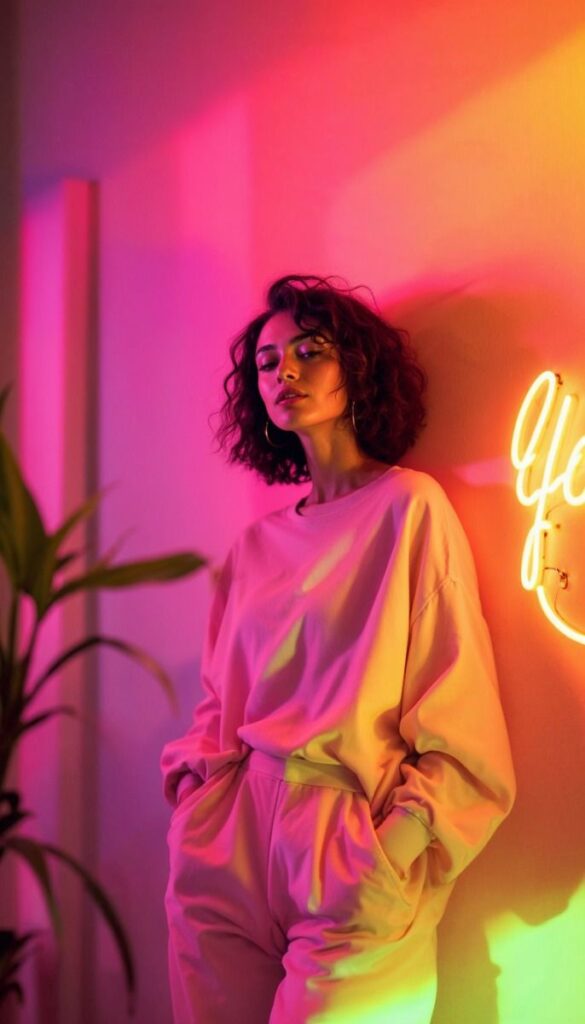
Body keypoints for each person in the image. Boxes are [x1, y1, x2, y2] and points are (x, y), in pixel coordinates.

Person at [161, 274, 516, 1024]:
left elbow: (459, 701)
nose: (283, 372)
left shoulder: (408, 509)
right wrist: (196, 808)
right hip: (228, 844)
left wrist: (396, 843)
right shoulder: (254, 544)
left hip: (346, 836)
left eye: (309, 351)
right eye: (265, 362)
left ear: (356, 367)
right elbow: (218, 706)